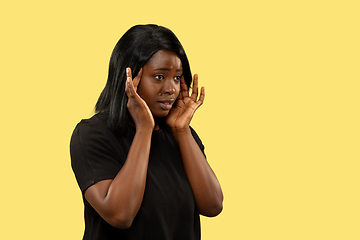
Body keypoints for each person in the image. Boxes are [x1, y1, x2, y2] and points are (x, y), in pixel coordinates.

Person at [70, 24, 223, 240]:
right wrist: (144, 129)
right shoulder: (93, 134)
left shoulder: (181, 135)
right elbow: (120, 214)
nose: (171, 88)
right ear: (129, 78)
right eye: (160, 77)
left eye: (177, 78)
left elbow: (213, 205)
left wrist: (182, 131)